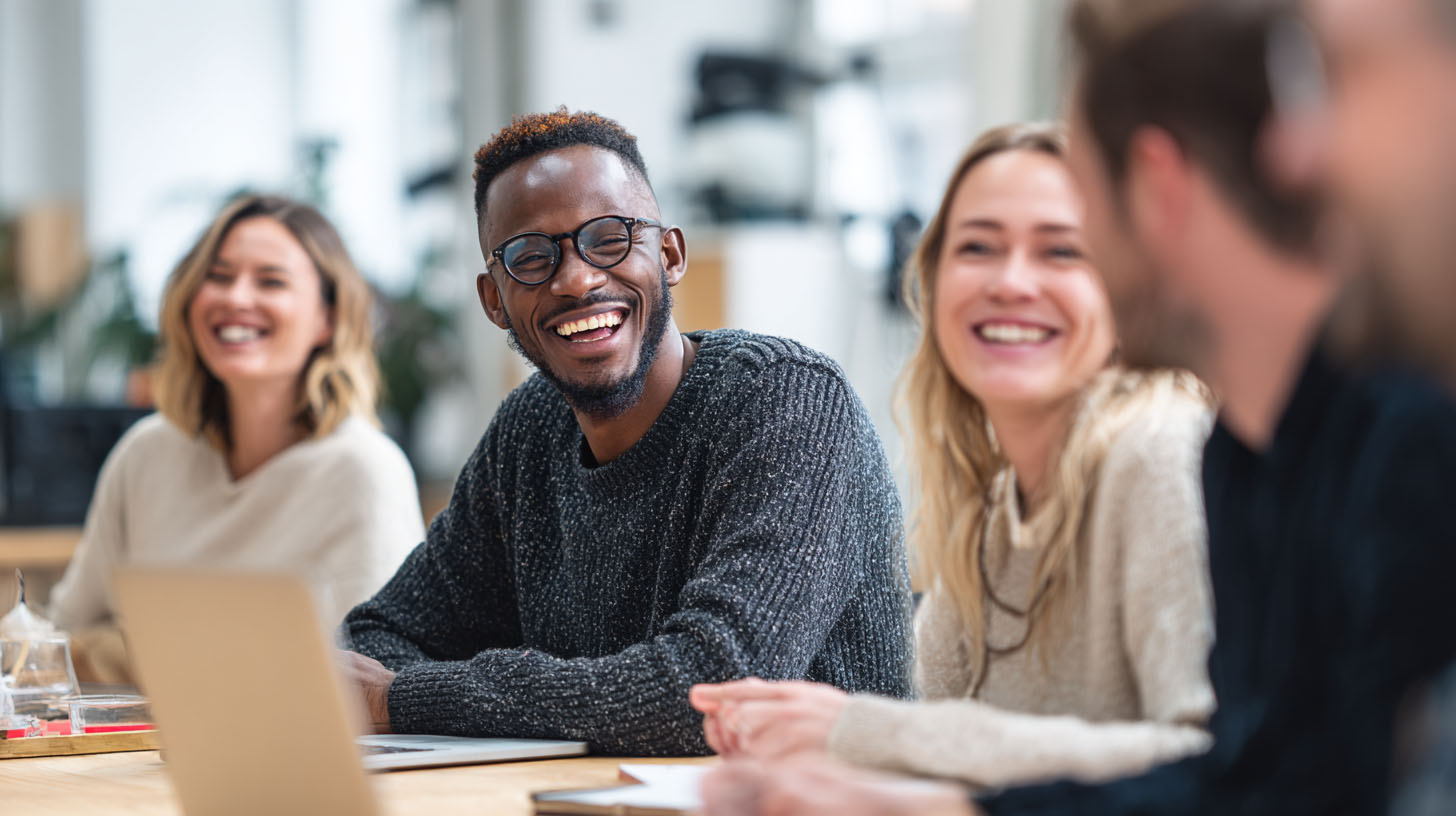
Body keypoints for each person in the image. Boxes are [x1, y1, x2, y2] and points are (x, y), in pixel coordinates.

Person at [700, 0, 1456, 813]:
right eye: (978, 246)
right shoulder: (1240, 460)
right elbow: (1264, 777)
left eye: (1069, 234)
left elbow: (1227, 761)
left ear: (1159, 188)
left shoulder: (1332, 446)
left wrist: (883, 755)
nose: (1013, 282)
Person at [336, 109, 914, 756]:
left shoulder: (788, 403)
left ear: (668, 254)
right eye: (530, 257)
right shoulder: (528, 433)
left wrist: (409, 698)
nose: (577, 278)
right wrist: (583, 697)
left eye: (609, 238)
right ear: (494, 299)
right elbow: (376, 639)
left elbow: (711, 689)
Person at [691, 123, 1215, 790]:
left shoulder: (1163, 449)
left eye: (1062, 251)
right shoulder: (996, 504)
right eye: (978, 247)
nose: (1013, 281)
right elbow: (939, 753)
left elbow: (1204, 760)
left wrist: (857, 729)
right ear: (935, 284)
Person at [48, 194, 424, 682]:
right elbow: (63, 637)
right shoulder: (146, 453)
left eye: (271, 281)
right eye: (219, 277)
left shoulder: (365, 469)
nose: (236, 298)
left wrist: (127, 652)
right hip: (128, 753)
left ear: (326, 319)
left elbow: (366, 678)